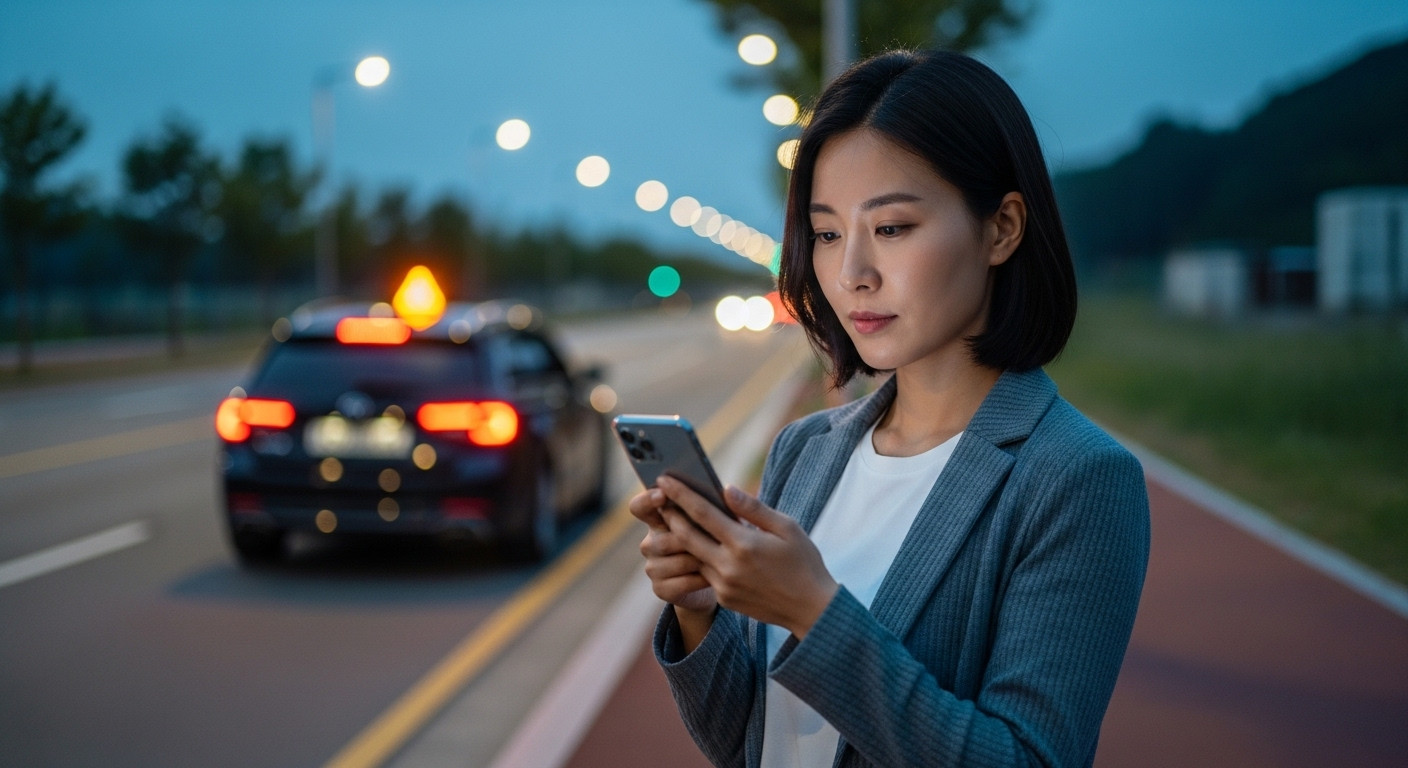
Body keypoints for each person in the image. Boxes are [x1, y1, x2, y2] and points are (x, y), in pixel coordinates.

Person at [629, 49, 1150, 768]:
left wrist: (815, 613)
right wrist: (698, 608)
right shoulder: (805, 449)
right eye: (829, 233)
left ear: (1002, 228)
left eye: (894, 228)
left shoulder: (1076, 479)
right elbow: (748, 744)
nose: (852, 276)